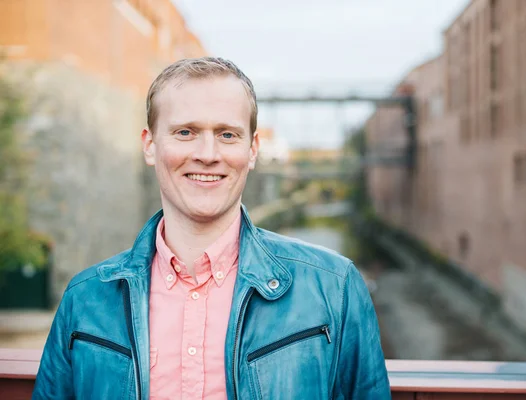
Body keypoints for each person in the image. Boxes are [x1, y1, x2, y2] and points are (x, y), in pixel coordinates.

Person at [33, 57, 390, 399]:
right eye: (185, 132)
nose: (207, 153)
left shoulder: (335, 287)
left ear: (252, 150)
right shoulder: (85, 299)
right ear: (150, 145)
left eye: (228, 135)